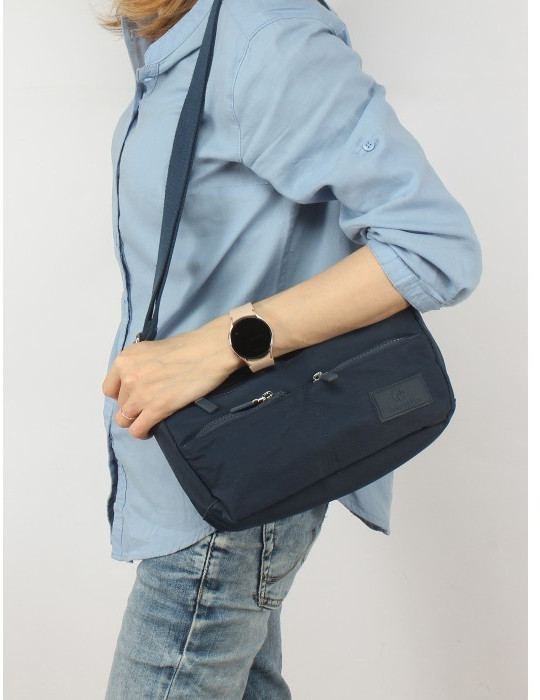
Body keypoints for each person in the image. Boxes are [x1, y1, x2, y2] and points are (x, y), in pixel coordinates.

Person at [98, 0, 483, 697]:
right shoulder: (181, 37)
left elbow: (432, 246)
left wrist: (222, 345)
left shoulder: (265, 36)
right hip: (197, 479)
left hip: (225, 491)